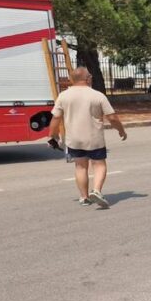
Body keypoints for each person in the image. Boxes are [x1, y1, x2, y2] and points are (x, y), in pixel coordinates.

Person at [48, 67, 128, 209]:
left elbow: (56, 118)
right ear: (87, 78)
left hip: (74, 139)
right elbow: (112, 118)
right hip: (94, 138)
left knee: (80, 166)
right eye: (90, 76)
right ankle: (96, 191)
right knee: (99, 165)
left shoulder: (64, 96)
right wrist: (121, 131)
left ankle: (84, 197)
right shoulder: (97, 95)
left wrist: (52, 135)